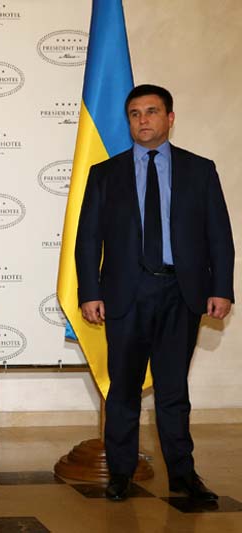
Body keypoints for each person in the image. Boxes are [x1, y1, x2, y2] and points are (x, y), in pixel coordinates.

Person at [75, 84, 234, 502]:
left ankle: (183, 475)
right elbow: (87, 239)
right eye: (135, 113)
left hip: (181, 293)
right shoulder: (105, 174)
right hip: (126, 294)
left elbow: (219, 235)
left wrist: (221, 288)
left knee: (173, 390)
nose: (143, 120)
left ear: (170, 118)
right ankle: (120, 473)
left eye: (151, 111)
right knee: (123, 390)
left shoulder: (200, 171)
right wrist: (89, 291)